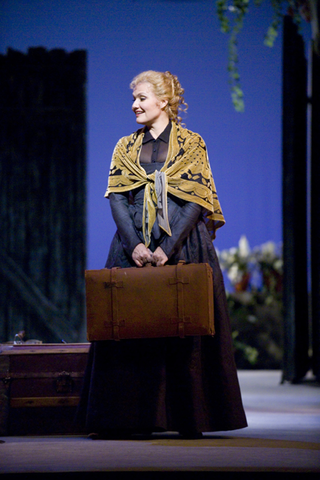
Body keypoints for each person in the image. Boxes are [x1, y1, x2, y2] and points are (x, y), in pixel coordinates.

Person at [76, 70, 247, 439]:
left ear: (163, 102)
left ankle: (188, 418)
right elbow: (118, 197)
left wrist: (166, 250)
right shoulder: (125, 146)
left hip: (183, 242)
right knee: (130, 326)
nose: (135, 105)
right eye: (133, 99)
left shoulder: (191, 143)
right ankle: (129, 419)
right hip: (131, 242)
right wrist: (136, 244)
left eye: (141, 98)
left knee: (184, 328)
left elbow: (195, 201)